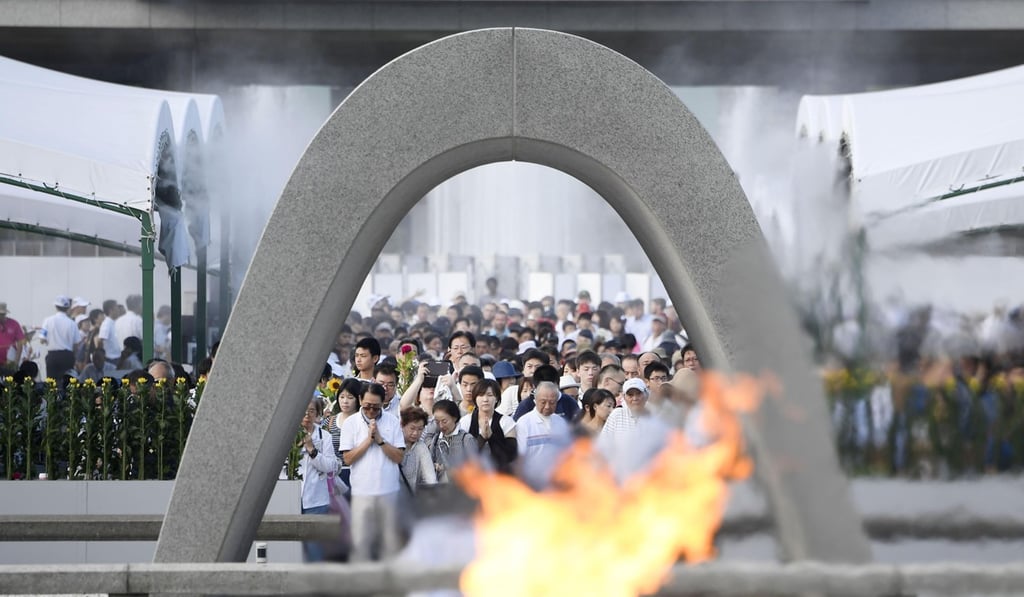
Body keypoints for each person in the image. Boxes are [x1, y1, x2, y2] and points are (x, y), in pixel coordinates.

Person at [339, 382, 405, 562]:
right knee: (360, 541)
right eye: (367, 406)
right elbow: (348, 458)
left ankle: (390, 584)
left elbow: (399, 456)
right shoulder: (350, 423)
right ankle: (360, 584)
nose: (371, 411)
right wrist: (368, 441)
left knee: (390, 541)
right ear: (360, 400)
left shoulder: (392, 421)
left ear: (383, 402)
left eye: (375, 407)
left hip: (389, 490)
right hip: (362, 492)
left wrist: (380, 440)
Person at [299, 396, 338, 562]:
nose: (307, 415)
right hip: (289, 497)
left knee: (314, 548)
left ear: (317, 414)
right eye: (304, 411)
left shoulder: (325, 436)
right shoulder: (286, 434)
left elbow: (331, 466)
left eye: (312, 411)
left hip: (316, 500)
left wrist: (312, 450)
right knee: (291, 547)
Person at [515, 381, 572, 490]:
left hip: (556, 484)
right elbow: (520, 458)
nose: (547, 406)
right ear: (535, 400)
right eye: (543, 402)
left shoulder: (561, 422)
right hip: (532, 484)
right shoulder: (524, 423)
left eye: (552, 403)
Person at [460, 379, 517, 474]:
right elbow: (463, 456)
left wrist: (491, 437)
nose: (485, 399)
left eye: (490, 395)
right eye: (481, 395)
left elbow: (511, 454)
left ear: (497, 398)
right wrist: (482, 437)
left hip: (499, 476)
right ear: (475, 398)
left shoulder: (507, 422)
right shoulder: (465, 421)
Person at [428, 399, 477, 483]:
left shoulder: (466, 439)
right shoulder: (436, 440)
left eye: (444, 421)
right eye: (437, 422)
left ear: (454, 418)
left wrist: (446, 468)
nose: (441, 426)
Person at [328, 377, 363, 492]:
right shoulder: (329, 421)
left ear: (358, 399)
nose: (345, 401)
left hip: (357, 474)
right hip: (333, 475)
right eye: (342, 397)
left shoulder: (363, 422)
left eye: (350, 397)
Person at [40, 295, 81, 381]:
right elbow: (77, 344)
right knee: (67, 382)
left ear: (56, 306)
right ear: (68, 308)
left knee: (52, 383)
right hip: (67, 356)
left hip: (52, 356)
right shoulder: (72, 323)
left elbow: (42, 339)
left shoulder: (47, 321)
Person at [0, 302, 25, 372]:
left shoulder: (14, 324)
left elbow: (20, 343)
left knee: (9, 381)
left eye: (2, 314)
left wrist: (16, 362)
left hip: (9, 362)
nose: (0, 316)